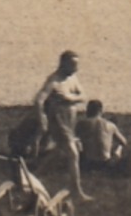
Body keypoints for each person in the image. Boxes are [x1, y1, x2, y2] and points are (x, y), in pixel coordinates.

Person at [34, 50, 90, 200]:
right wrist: (42, 118)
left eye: (76, 65)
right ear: (63, 64)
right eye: (72, 65)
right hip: (58, 120)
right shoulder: (54, 81)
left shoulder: (72, 78)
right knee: (73, 153)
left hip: (70, 120)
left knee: (60, 151)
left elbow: (84, 96)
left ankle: (35, 176)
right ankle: (76, 191)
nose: (76, 69)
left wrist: (69, 98)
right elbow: (39, 100)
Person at [75, 100, 128, 174]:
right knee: (120, 146)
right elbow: (124, 142)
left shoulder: (81, 124)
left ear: (88, 110)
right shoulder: (110, 125)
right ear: (101, 111)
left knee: (76, 142)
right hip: (106, 162)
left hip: (88, 162)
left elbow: (73, 138)